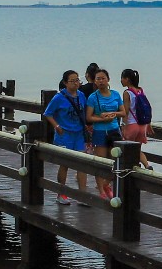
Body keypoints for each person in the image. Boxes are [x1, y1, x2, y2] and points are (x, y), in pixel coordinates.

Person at [42, 70, 88, 202]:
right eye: (72, 81)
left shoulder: (81, 96)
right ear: (65, 83)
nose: (75, 83)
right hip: (64, 134)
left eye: (77, 80)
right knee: (65, 164)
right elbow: (48, 113)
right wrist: (56, 126)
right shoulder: (59, 97)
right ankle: (61, 193)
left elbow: (84, 112)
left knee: (82, 164)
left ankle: (82, 195)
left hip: (79, 133)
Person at [83, 66, 124, 199]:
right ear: (94, 81)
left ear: (108, 79)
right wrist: (101, 118)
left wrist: (113, 114)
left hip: (114, 130)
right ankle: (101, 190)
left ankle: (107, 184)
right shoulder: (92, 97)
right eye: (98, 79)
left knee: (116, 160)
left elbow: (123, 112)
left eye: (103, 78)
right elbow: (89, 117)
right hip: (100, 132)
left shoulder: (116, 94)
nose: (101, 81)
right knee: (101, 162)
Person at [119, 68, 152, 167]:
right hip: (142, 125)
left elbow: (126, 110)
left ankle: (130, 169)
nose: (121, 80)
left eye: (122, 78)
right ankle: (147, 165)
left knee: (126, 149)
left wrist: (123, 125)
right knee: (137, 149)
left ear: (127, 79)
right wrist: (149, 124)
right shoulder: (140, 90)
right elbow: (146, 107)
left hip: (131, 125)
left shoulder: (127, 92)